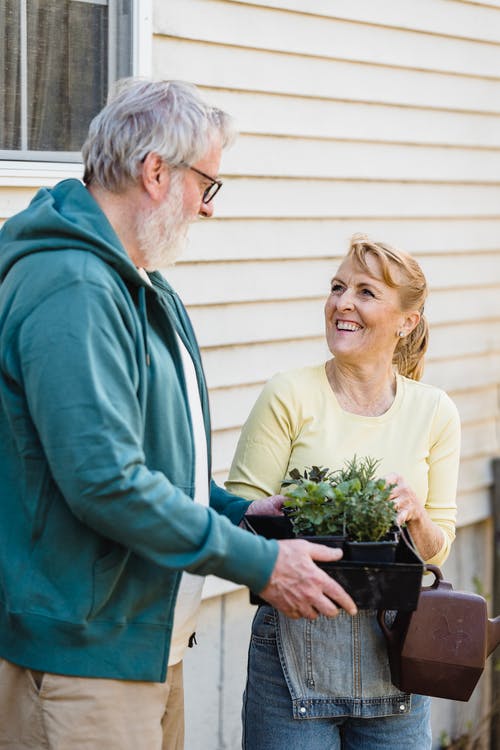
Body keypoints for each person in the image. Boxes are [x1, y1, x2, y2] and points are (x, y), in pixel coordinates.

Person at [0, 78, 357, 750]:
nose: (208, 208)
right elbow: (105, 482)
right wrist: (261, 565)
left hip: (146, 642)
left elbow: (156, 467)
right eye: (208, 185)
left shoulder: (142, 287)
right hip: (82, 659)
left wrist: (240, 513)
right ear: (156, 171)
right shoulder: (72, 285)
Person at [226, 234, 461, 750]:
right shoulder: (288, 394)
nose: (342, 303)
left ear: (406, 322)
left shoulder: (435, 411)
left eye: (365, 292)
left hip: (396, 662)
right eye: (337, 287)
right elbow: (237, 520)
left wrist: (417, 518)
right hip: (291, 657)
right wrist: (272, 518)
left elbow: (436, 545)